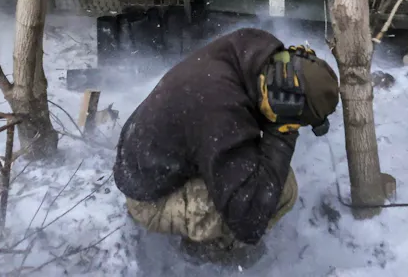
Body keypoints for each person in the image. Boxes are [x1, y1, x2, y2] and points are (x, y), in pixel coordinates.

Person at [112, 27, 341, 265]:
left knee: (265, 170)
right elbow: (249, 220)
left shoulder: (258, 51)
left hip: (153, 158)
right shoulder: (221, 112)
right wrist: (282, 132)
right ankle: (211, 252)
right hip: (150, 200)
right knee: (280, 190)